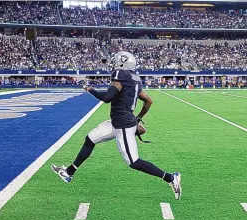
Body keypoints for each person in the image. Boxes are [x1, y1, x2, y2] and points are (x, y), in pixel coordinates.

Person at [51, 51, 182, 200]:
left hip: (123, 126)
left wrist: (88, 88)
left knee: (134, 162)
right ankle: (69, 172)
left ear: (121, 63)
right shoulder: (135, 79)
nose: (113, 64)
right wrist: (138, 118)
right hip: (118, 122)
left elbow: (107, 98)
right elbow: (148, 101)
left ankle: (171, 178)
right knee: (90, 139)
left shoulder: (121, 74)